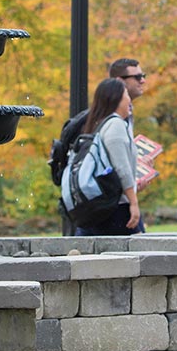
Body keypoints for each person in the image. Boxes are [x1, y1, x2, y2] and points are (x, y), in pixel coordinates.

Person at [64, 77, 143, 235]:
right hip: (117, 208)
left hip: (98, 206)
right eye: (126, 94)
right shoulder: (116, 125)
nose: (130, 101)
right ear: (116, 98)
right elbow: (122, 169)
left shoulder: (95, 125)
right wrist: (133, 203)